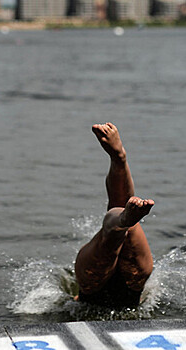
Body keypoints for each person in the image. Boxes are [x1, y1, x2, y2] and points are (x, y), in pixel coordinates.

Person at [74, 123, 154, 309]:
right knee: (113, 228)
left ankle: (124, 219)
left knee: (111, 234)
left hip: (91, 292)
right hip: (132, 292)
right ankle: (119, 159)